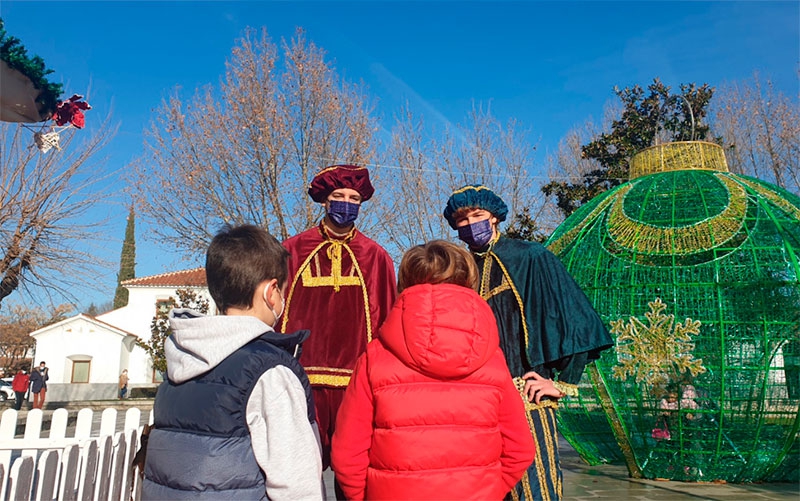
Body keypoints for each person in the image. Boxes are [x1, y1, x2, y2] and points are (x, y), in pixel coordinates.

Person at [443, 185, 613, 501]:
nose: (470, 224)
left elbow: (573, 317)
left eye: (477, 215)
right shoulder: (459, 270)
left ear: (494, 217)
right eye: (461, 219)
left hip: (525, 397)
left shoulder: (529, 257)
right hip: (475, 403)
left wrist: (564, 382)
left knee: (536, 489)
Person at [332, 240, 535, 500]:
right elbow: (520, 449)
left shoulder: (375, 357)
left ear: (405, 282)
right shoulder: (492, 358)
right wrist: (489, 492)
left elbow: (348, 453)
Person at [142, 224, 324, 500]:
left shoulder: (179, 361)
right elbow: (297, 483)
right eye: (283, 291)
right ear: (271, 292)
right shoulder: (271, 371)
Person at [282, 164, 397, 475]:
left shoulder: (376, 257)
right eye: (339, 195)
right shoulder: (291, 251)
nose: (346, 203)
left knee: (355, 472)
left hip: (356, 385)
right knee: (300, 472)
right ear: (325, 201)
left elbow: (387, 318)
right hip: (302, 381)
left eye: (353, 198)